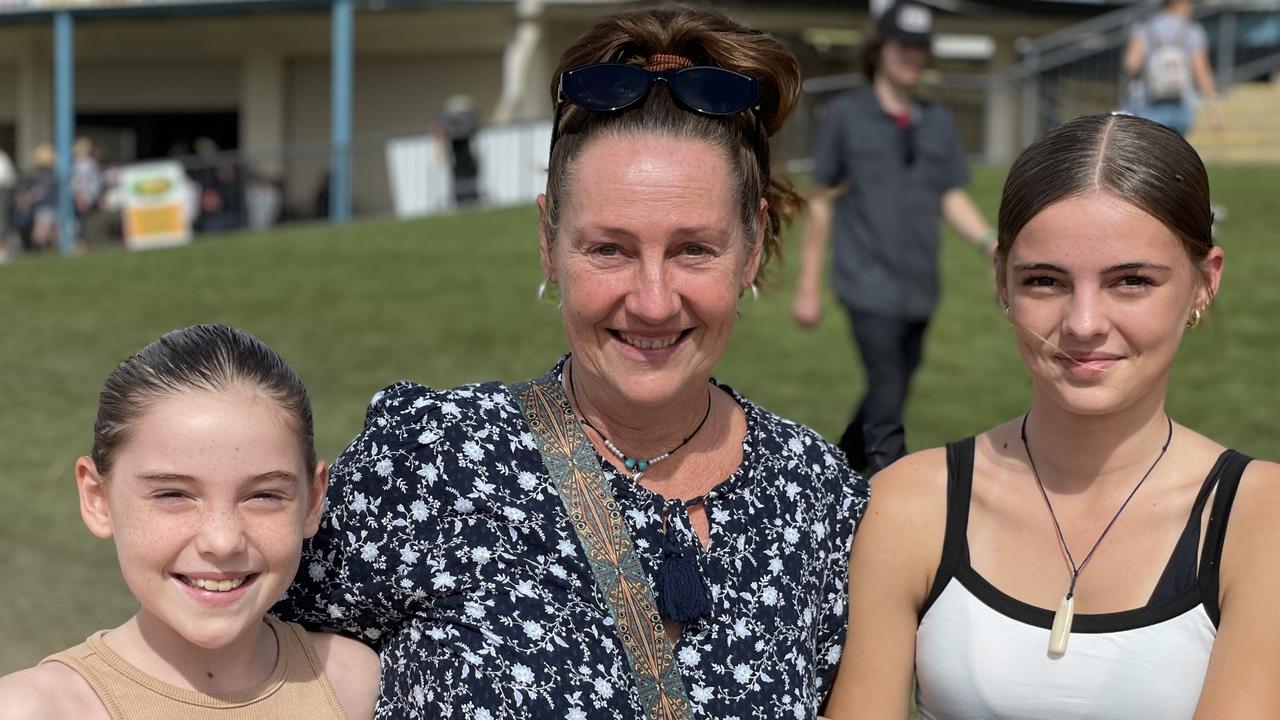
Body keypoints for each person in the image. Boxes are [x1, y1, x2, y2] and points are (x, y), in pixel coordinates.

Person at [274, 6, 868, 718]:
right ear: (548, 241)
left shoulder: (819, 503)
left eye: (693, 250)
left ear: (751, 246)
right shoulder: (431, 461)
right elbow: (236, 658)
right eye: (608, 249)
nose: (652, 302)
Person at [824, 114, 1280, 719]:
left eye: (1132, 281)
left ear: (1204, 282)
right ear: (1001, 281)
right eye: (1045, 280)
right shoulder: (909, 504)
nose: (1084, 322)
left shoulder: (1258, 520)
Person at [0, 324, 381, 720]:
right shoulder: (31, 709)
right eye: (172, 495)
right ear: (97, 498)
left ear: (313, 500)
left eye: (264, 495)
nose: (222, 540)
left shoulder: (355, 683)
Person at [792, 0, 995, 476]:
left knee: (890, 390)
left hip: (919, 289)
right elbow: (820, 200)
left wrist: (993, 244)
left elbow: (950, 196)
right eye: (903, 45)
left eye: (920, 48)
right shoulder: (846, 116)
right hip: (866, 283)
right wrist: (807, 287)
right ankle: (890, 494)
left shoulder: (938, 121)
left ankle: (836, 475)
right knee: (887, 396)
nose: (912, 56)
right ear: (880, 49)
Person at [1123, 0, 1226, 136]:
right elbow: (1202, 73)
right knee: (1176, 153)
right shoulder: (1192, 31)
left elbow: (1131, 64)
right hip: (1182, 104)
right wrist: (1215, 112)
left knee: (1151, 152)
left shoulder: (1144, 28)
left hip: (1149, 102)